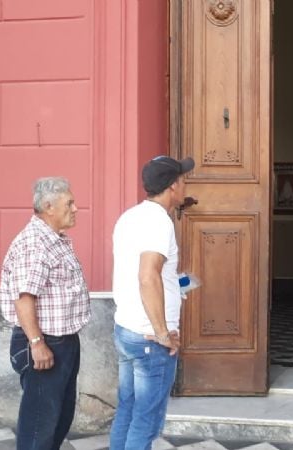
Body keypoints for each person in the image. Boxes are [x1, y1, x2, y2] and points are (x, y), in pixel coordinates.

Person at [110, 155, 195, 450]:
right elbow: (147, 276)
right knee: (146, 422)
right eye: (183, 179)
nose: (185, 184)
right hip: (149, 338)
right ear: (173, 186)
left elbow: (150, 274)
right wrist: (162, 333)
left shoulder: (130, 216)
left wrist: (175, 283)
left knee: (128, 410)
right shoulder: (159, 222)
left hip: (127, 329)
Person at [0, 177, 91, 450]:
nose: (75, 208)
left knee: (59, 419)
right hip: (44, 343)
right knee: (38, 427)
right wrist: (37, 344)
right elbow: (24, 298)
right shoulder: (35, 244)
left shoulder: (54, 239)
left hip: (62, 341)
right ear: (49, 207)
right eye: (70, 203)